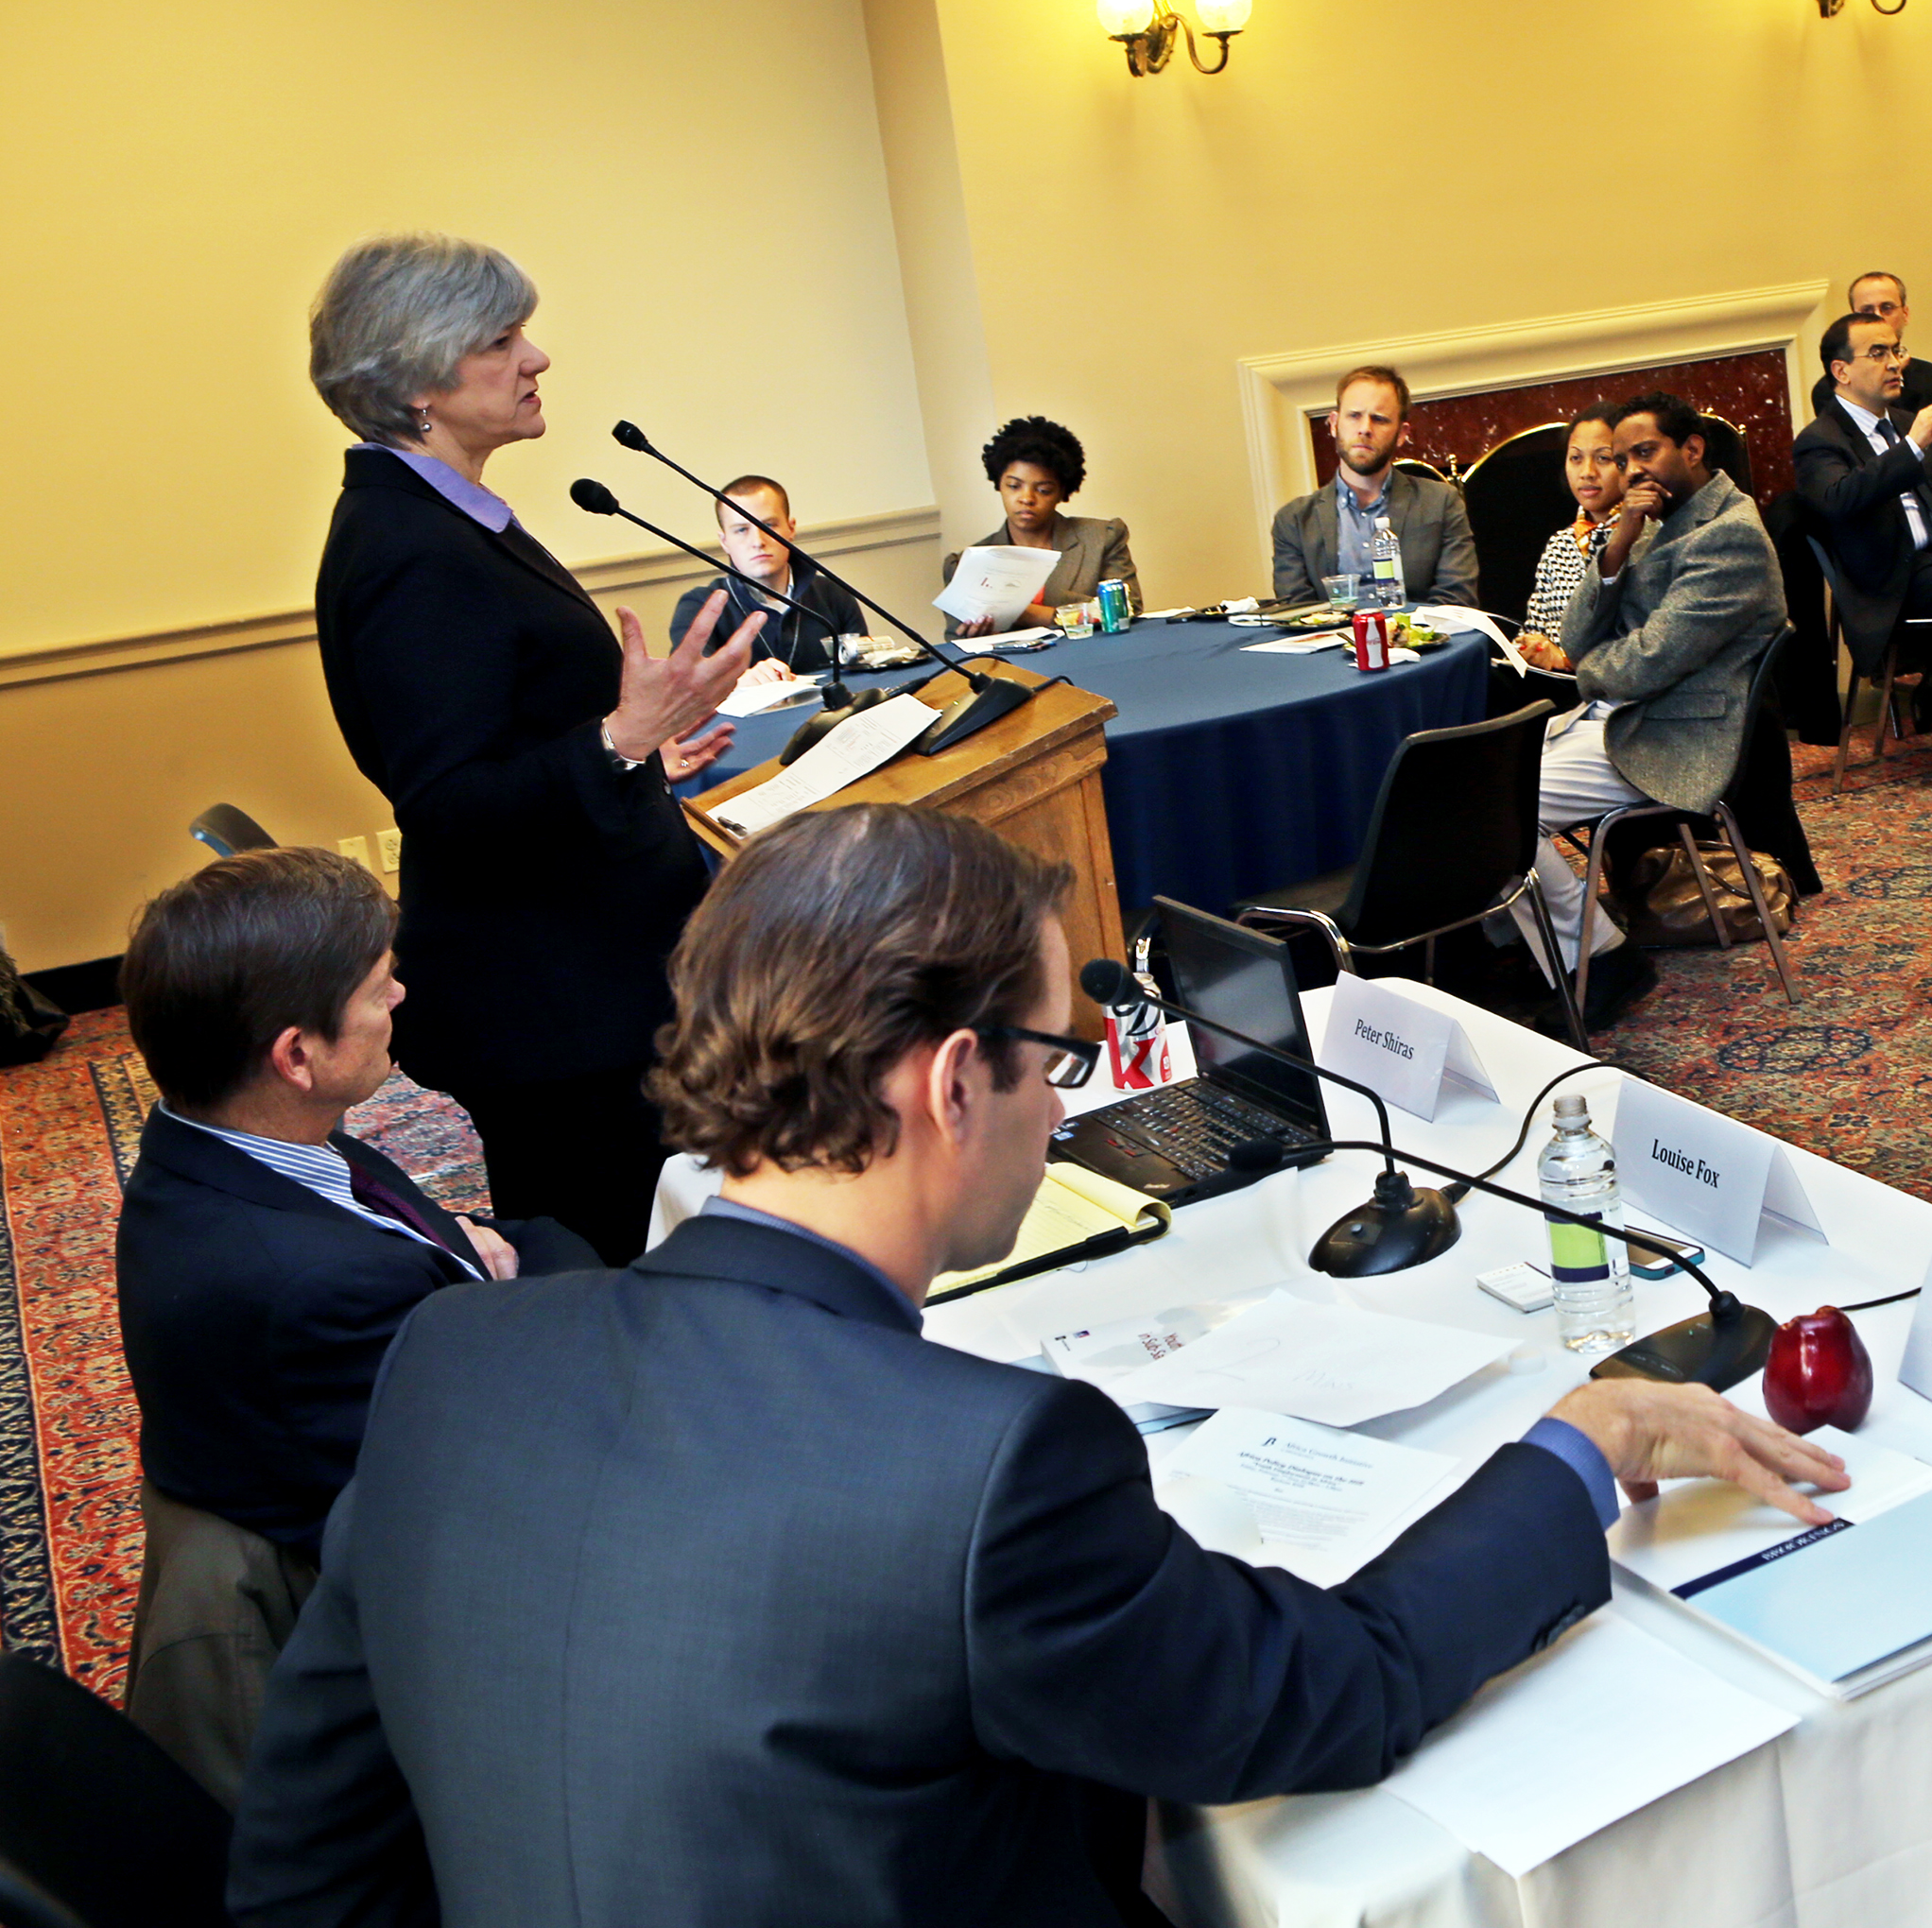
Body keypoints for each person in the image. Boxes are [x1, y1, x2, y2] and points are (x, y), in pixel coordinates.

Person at [227, 803, 1843, 1926]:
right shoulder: (991, 1467)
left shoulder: (456, 1357)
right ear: (951, 1083)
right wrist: (1583, 1440)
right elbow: (1317, 1694)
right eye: (1058, 1057)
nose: (1065, 1106)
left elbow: (307, 1853)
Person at [310, 233, 758, 1265]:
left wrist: (643, 755)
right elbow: (450, 801)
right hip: (555, 1006)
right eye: (503, 338)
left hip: (584, 979)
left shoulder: (444, 517)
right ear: (420, 375)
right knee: (610, 1265)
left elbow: (508, 735)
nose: (538, 357)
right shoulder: (411, 550)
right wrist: (618, 737)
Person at [113, 848, 595, 1801]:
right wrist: (519, 1262)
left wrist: (490, 1257)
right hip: (377, 1641)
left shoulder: (230, 1143)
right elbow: (527, 1446)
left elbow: (484, 1248)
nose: (403, 994)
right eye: (380, 987)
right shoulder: (313, 1283)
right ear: (296, 1054)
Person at [1525, 392, 1790, 1011]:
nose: (1631, 470)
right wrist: (1616, 546)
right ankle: (1515, 943)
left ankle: (1601, 960)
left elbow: (1649, 660)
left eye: (1645, 452)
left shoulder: (1730, 535)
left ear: (1691, 449)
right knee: (1468, 785)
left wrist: (1578, 674)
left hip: (1676, 734)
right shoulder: (1653, 519)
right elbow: (1577, 634)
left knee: (1499, 812)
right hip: (1619, 717)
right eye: (1624, 458)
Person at [1794, 308, 1932, 682]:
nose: (1895, 364)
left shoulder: (1905, 422)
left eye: (1896, 351)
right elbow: (1840, 500)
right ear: (1842, 372)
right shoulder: (1819, 441)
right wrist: (1912, 447)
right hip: (1892, 581)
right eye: (1878, 354)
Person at [1269, 365, 1482, 605]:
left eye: (1379, 419)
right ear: (1333, 423)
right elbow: (1297, 612)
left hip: (1420, 638)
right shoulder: (1294, 520)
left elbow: (1457, 599)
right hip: (1334, 640)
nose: (1365, 429)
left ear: (1401, 434)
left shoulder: (1441, 501)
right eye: (1354, 416)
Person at [944, 417, 1138, 633]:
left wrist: (1028, 614)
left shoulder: (1102, 538)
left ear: (1063, 492)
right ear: (998, 484)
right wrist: (977, 638)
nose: (1026, 498)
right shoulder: (967, 564)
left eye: (1043, 490)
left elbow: (1129, 610)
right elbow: (956, 644)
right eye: (1014, 486)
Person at [670, 473, 868, 678]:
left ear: (791, 528)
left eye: (769, 526)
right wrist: (737, 683)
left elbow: (864, 674)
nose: (758, 541)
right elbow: (690, 680)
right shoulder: (699, 606)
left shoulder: (833, 594)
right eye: (741, 530)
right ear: (724, 541)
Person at [1514, 401, 1627, 669]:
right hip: (1555, 687)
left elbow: (1636, 640)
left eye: (1603, 458)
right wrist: (1530, 648)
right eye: (1576, 458)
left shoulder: (1645, 537)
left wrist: (1566, 660)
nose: (1587, 472)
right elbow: (1535, 626)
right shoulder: (1559, 544)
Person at [1804, 270, 1932, 419]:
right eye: (1867, 311)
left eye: (1887, 308)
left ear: (1905, 314)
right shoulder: (1832, 388)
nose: (1878, 318)